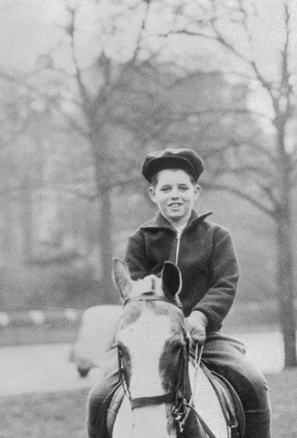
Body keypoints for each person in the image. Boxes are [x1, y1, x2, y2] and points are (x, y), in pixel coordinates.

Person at [86, 148, 271, 438]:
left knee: (254, 383)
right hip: (152, 346)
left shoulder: (216, 237)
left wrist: (200, 316)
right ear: (152, 193)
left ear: (195, 191)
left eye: (183, 188)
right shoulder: (141, 240)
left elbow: (225, 282)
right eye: (166, 188)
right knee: (99, 396)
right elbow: (135, 294)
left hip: (204, 340)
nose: (175, 195)